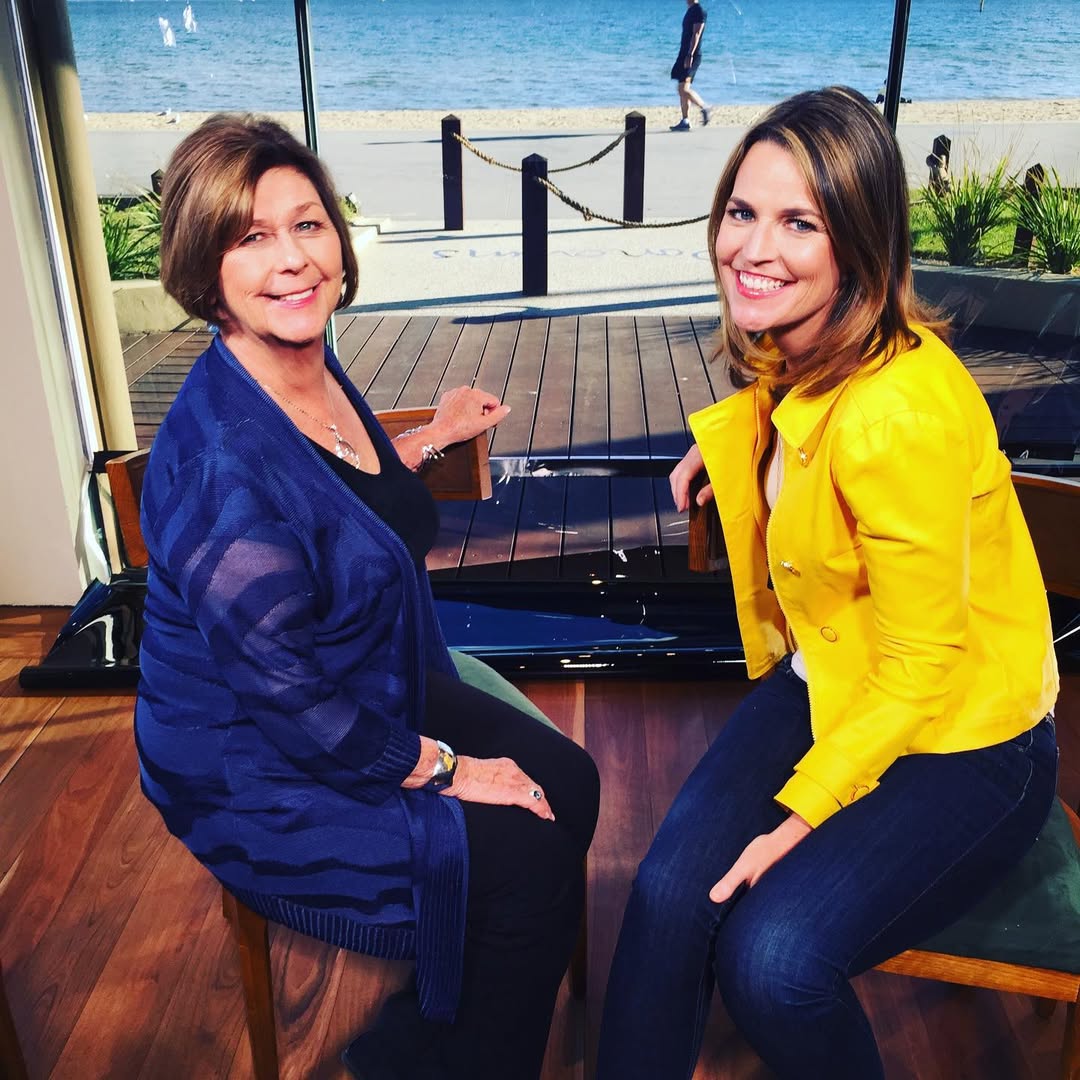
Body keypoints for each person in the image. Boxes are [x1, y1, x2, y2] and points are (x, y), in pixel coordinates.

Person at [596, 85, 1058, 1079]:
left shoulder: (901, 413)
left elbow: (927, 662)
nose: (752, 248)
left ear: (858, 242)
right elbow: (789, 403)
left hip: (965, 738)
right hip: (837, 682)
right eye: (742, 211)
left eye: (798, 222)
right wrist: (718, 455)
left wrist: (798, 818)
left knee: (773, 958)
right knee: (672, 892)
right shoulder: (806, 346)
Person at [134, 113, 599, 1080]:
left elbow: (340, 485)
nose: (294, 260)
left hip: (364, 676)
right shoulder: (219, 463)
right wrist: (444, 769)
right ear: (202, 269)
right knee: (522, 851)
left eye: (309, 225)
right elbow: (286, 697)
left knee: (575, 785)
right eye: (251, 238)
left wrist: (426, 442)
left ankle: (453, 1016)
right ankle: (457, 1052)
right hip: (257, 762)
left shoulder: (306, 359)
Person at [670, 0, 712, 131]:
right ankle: (685, 120)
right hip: (684, 54)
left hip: (691, 55)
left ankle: (704, 107)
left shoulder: (699, 11)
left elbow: (697, 34)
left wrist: (690, 55)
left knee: (683, 89)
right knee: (682, 88)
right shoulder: (690, 10)